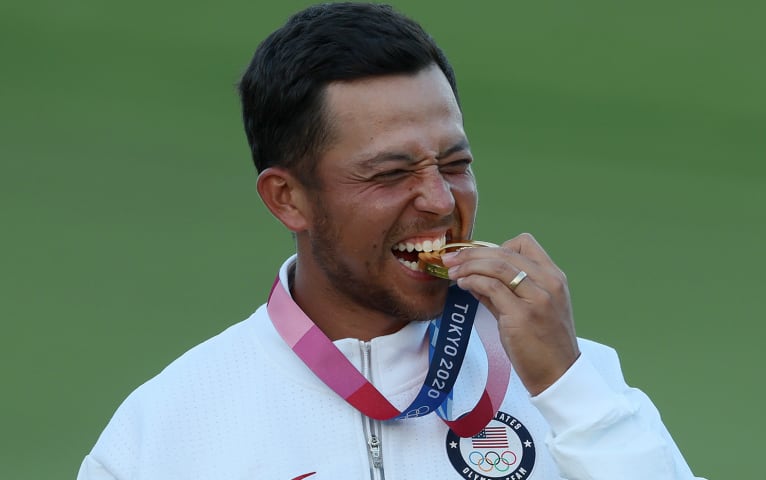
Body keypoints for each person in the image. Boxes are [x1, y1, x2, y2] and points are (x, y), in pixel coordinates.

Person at [78, 3, 705, 479]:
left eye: (454, 164)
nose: (439, 200)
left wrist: (570, 389)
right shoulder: (167, 429)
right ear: (287, 199)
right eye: (390, 173)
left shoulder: (572, 379)